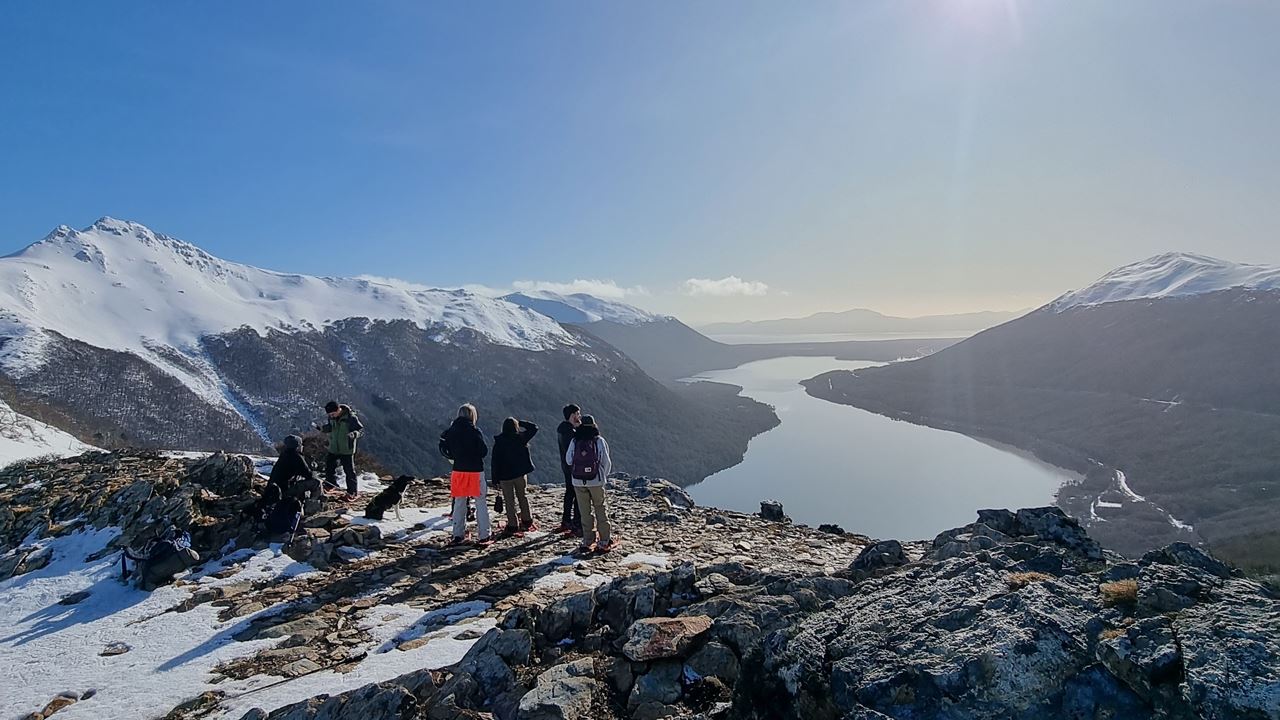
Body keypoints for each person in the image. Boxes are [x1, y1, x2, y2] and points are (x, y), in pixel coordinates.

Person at [439, 403, 492, 546]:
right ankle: (484, 536)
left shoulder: (450, 431)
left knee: (459, 502)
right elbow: (483, 451)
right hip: (475, 470)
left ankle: (457, 534)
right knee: (480, 502)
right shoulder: (475, 431)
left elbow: (444, 448)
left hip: (458, 470)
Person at [565, 415, 617, 553]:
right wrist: (602, 477)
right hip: (596, 481)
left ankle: (588, 540)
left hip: (578, 481)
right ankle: (604, 540)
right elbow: (606, 462)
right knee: (600, 508)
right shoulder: (598, 440)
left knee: (585, 511)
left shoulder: (575, 440)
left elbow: (569, 460)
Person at [491, 417, 538, 535]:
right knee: (523, 496)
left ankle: (513, 525)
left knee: (509, 500)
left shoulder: (499, 441)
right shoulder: (521, 438)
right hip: (520, 474)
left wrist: (495, 479)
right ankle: (527, 520)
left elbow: (495, 461)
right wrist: (520, 422)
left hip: (505, 476)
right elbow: (534, 428)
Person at [318, 401, 363, 500]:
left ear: (339, 409)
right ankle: (331, 485)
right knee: (329, 467)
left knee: (349, 471)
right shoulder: (332, 417)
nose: (331, 416)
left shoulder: (351, 418)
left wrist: (354, 434)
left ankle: (352, 492)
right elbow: (331, 427)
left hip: (346, 449)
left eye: (333, 414)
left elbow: (360, 430)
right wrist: (323, 429)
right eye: (329, 415)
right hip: (334, 447)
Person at [555, 404, 583, 536]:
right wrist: (580, 429)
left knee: (569, 493)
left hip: (566, 467)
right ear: (572, 415)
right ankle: (577, 522)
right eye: (578, 414)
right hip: (574, 468)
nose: (579, 416)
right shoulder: (570, 432)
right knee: (577, 494)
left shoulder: (562, 429)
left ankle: (566, 520)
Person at [268, 434, 321, 500]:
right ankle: (314, 504)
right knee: (316, 482)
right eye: (301, 445)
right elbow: (308, 474)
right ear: (298, 446)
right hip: (285, 491)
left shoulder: (284, 455)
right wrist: (315, 474)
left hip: (273, 491)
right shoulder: (297, 457)